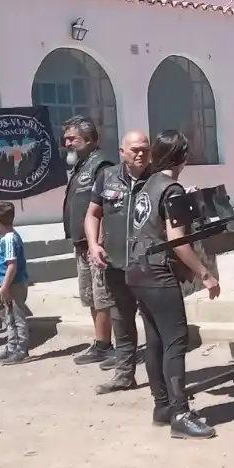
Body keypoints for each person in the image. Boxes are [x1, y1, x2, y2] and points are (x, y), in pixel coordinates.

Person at [126, 130, 221, 439]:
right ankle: (180, 413)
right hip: (157, 272)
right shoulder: (172, 190)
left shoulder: (147, 185)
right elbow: (178, 240)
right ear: (183, 157)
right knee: (176, 341)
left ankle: (163, 406)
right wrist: (204, 274)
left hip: (136, 270)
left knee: (155, 340)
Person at [85, 130, 153, 395]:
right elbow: (93, 214)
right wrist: (94, 245)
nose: (140, 154)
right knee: (122, 323)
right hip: (115, 265)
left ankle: (162, 382)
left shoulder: (158, 181)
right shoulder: (107, 177)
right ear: (122, 152)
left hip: (149, 266)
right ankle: (124, 375)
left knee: (155, 324)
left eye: (145, 149)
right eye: (135, 149)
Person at [61, 116, 117, 367]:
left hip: (96, 245)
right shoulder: (82, 166)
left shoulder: (102, 165)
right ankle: (101, 343)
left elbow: (106, 206)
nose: (67, 144)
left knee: (103, 295)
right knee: (91, 296)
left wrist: (99, 243)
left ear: (90, 139)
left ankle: (109, 346)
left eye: (72, 139)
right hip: (82, 243)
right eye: (66, 139)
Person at [0, 201, 31, 366]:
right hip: (8, 284)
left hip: (14, 285)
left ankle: (21, 349)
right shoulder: (8, 237)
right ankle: (11, 346)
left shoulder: (9, 239)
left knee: (18, 318)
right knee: (10, 317)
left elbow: (12, 265)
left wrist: (5, 287)